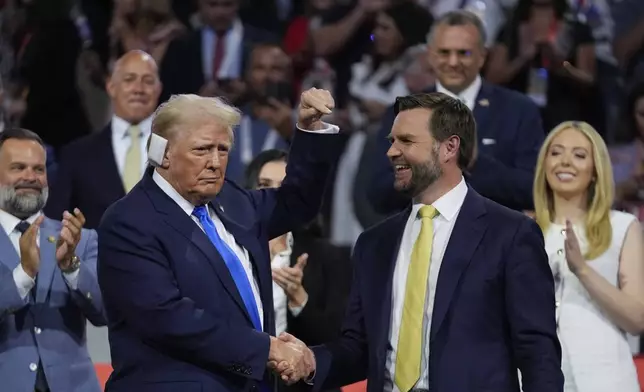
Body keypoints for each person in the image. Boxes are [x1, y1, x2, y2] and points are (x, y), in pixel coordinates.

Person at [275, 92, 563, 392]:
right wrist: (311, 360)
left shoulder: (510, 234)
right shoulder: (374, 243)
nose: (391, 152)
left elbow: (537, 354)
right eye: (391, 140)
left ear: (449, 147)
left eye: (406, 141)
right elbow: (358, 348)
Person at [97, 88, 343, 391]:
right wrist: (266, 349)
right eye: (202, 150)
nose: (215, 162)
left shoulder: (234, 200)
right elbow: (168, 318)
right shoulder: (129, 222)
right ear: (162, 152)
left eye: (223, 149)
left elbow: (299, 202)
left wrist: (309, 130)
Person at [368, 10, 544, 214]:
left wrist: (475, 162)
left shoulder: (518, 109)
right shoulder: (404, 111)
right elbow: (377, 192)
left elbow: (534, 189)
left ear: (482, 56)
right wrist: (425, 169)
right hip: (422, 237)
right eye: (444, 52)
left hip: (494, 239)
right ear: (431, 55)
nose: (453, 62)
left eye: (464, 53)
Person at [532, 121, 644, 391]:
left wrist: (582, 269)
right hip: (536, 377)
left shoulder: (622, 227)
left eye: (579, 155)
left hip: (604, 377)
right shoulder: (522, 230)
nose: (565, 162)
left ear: (595, 170)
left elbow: (636, 319)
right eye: (556, 152)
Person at [0, 128, 105, 392]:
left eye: (39, 169)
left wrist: (71, 267)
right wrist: (23, 275)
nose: (30, 177)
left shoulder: (80, 239)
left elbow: (106, 313)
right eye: (18, 167)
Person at [45, 50, 162, 229]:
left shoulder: (176, 152)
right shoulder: (76, 155)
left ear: (158, 89)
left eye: (147, 81)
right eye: (129, 79)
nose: (139, 89)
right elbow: (54, 224)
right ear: (111, 86)